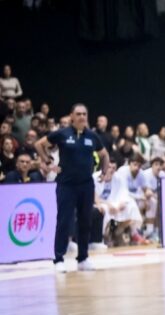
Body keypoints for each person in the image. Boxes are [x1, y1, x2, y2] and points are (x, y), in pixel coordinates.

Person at [34, 104, 109, 273]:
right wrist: (47, 161)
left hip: (86, 185)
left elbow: (104, 154)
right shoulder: (62, 133)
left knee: (85, 221)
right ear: (72, 116)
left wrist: (104, 172)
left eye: (84, 114)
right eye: (78, 114)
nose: (82, 117)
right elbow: (39, 144)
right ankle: (58, 259)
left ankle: (83, 258)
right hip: (66, 185)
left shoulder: (92, 136)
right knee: (64, 221)